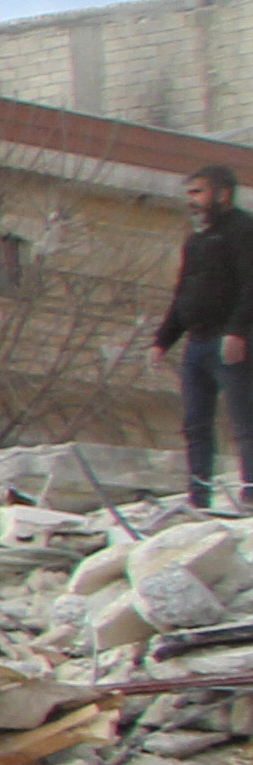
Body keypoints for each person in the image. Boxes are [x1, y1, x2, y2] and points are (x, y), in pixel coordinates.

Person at [161, 162, 253, 511]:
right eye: (189, 194)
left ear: (222, 193)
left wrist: (238, 332)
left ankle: (251, 495)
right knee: (195, 425)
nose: (192, 201)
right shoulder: (197, 240)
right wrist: (163, 339)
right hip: (196, 344)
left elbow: (250, 286)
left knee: (244, 422)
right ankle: (199, 498)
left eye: (198, 192)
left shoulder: (245, 231)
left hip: (231, 343)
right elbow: (183, 294)